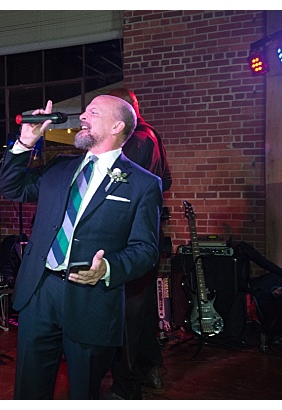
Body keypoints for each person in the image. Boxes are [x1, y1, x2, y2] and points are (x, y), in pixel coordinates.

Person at [0, 95, 162, 399]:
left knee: (84, 391)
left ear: (117, 125)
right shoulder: (57, 168)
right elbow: (10, 187)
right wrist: (24, 143)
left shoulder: (143, 183)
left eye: (92, 112)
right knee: (29, 389)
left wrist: (109, 268)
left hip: (92, 298)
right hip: (39, 291)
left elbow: (145, 249)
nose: (82, 117)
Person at [105, 87, 171, 399]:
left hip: (130, 238)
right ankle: (151, 368)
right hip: (149, 235)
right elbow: (166, 181)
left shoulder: (134, 140)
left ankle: (126, 386)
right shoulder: (153, 135)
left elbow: (118, 181)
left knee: (127, 314)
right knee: (141, 311)